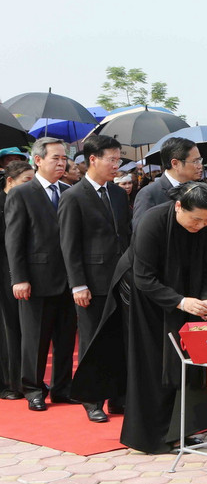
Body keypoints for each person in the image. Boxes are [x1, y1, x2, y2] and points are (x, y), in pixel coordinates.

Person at [121, 183, 207, 454]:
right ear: (179, 207)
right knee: (156, 363)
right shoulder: (151, 222)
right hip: (150, 299)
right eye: (196, 219)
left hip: (190, 294)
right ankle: (154, 435)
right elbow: (143, 278)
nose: (201, 225)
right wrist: (180, 302)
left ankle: (185, 429)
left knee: (189, 361)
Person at [58, 134, 132, 422]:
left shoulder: (117, 193)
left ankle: (118, 396)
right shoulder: (73, 196)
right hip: (90, 282)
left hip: (120, 279)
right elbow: (69, 245)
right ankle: (91, 399)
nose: (117, 165)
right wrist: (78, 284)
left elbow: (124, 234)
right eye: (112, 159)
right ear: (93, 159)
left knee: (119, 339)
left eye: (118, 159)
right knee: (91, 341)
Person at [4, 137, 76, 411]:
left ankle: (62, 388)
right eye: (55, 157)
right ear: (38, 160)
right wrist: (19, 277)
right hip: (35, 278)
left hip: (70, 280)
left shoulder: (70, 191)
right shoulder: (22, 193)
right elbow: (15, 239)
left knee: (66, 338)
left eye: (64, 158)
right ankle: (33, 388)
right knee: (35, 339)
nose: (61, 162)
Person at [0, 160, 34, 401]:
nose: (30, 187)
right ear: (9, 182)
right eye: (26, 182)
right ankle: (9, 383)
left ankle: (24, 379)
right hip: (4, 272)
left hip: (21, 271)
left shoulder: (27, 201)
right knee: (8, 328)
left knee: (24, 328)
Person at [132, 137, 203, 230]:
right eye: (195, 161)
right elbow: (141, 234)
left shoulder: (198, 190)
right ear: (175, 164)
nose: (200, 166)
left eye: (200, 160)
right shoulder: (149, 194)